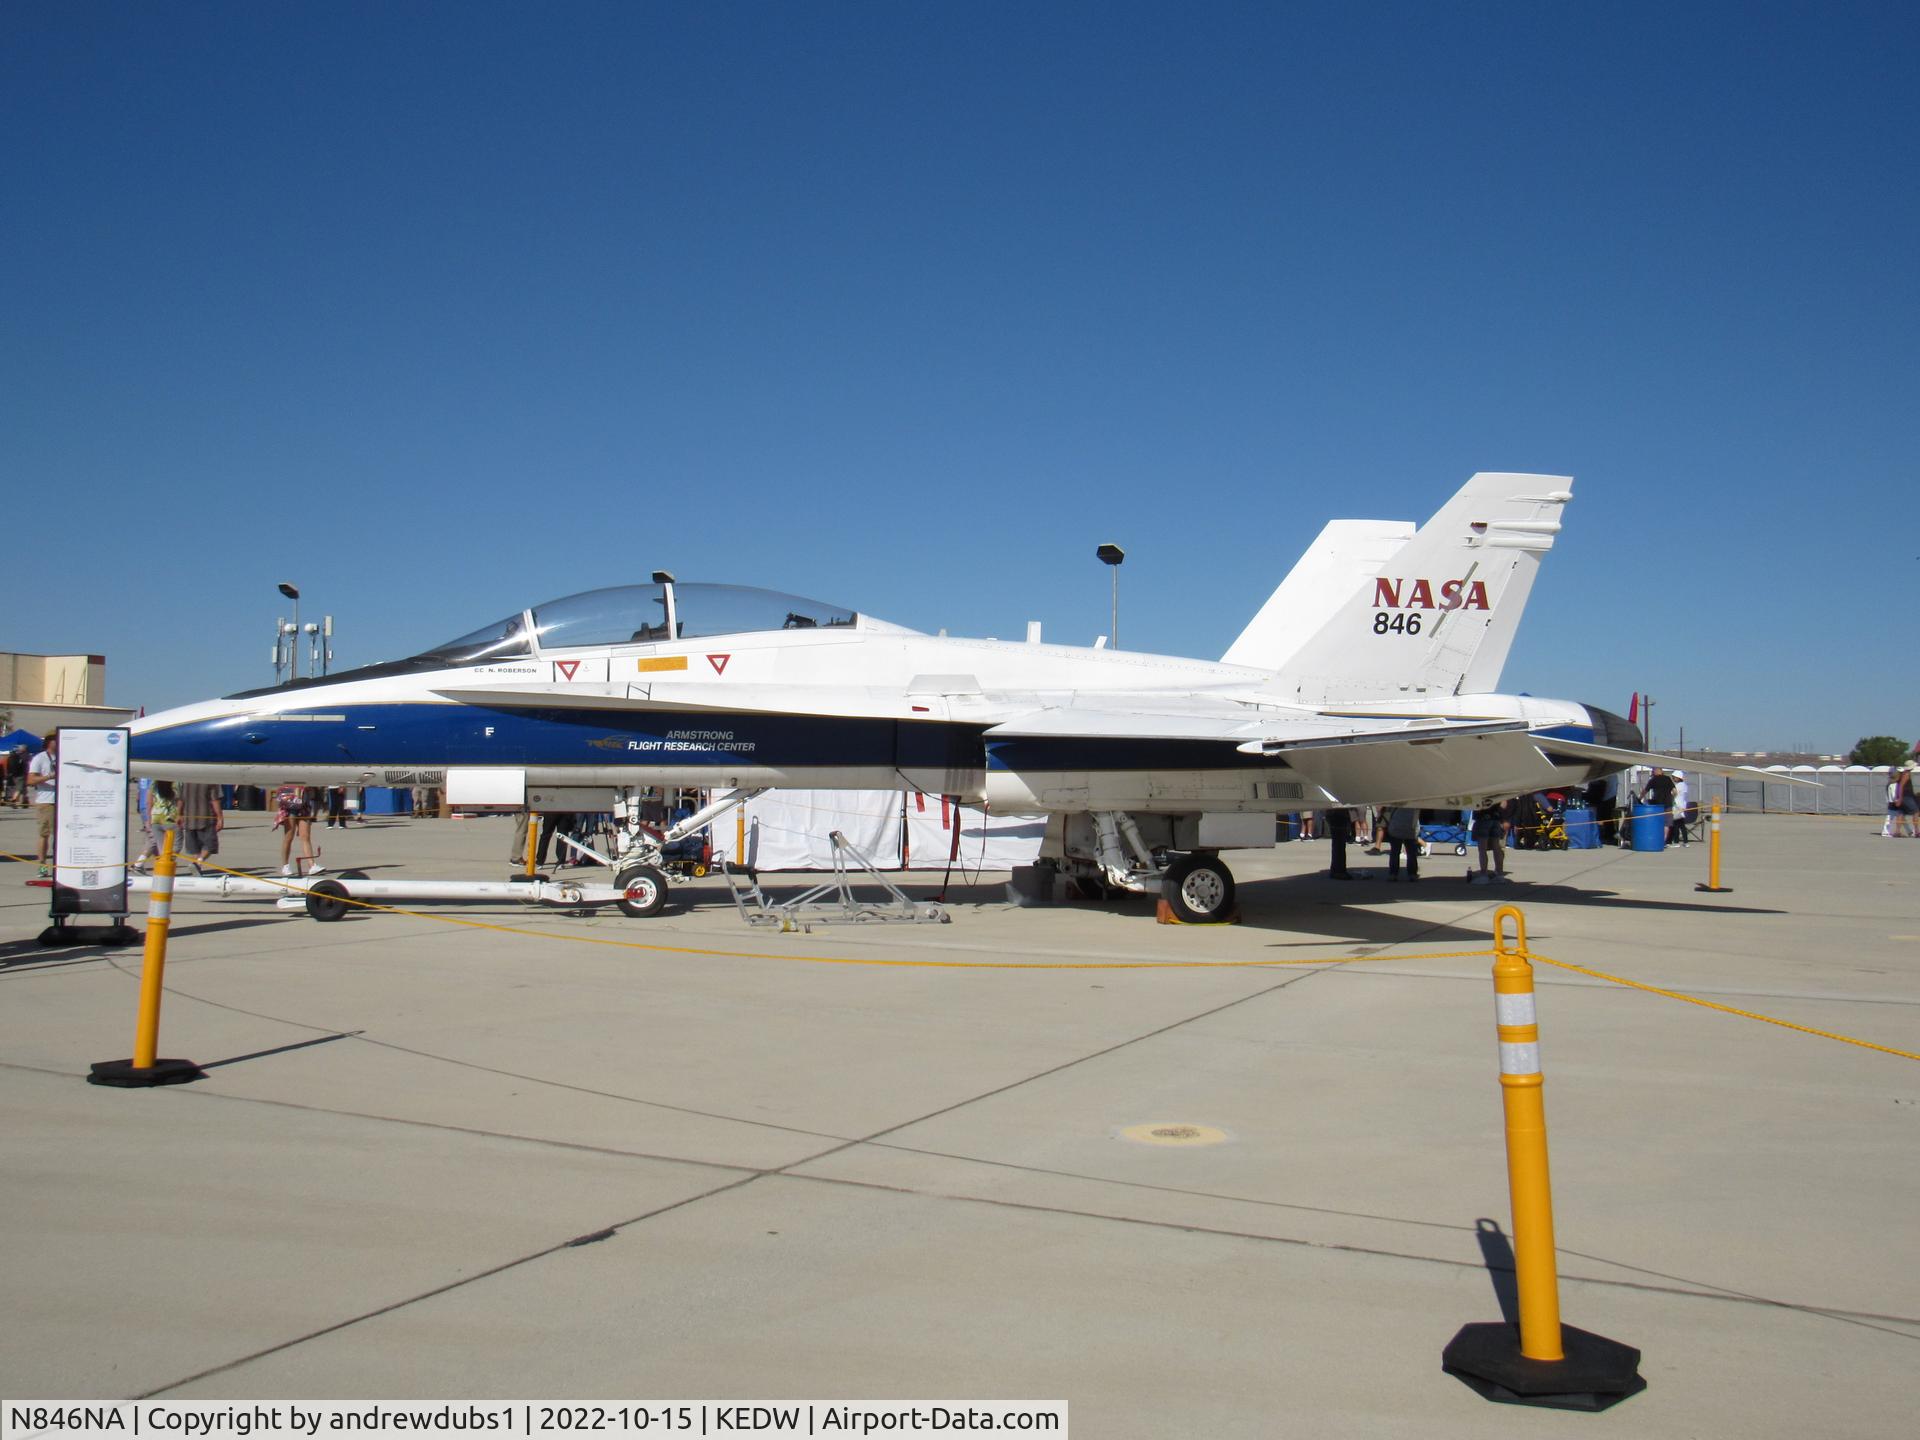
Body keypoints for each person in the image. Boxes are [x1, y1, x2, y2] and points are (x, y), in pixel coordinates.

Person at [274, 782, 321, 877]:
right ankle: (285, 865)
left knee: (305, 836)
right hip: (289, 803)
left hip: (303, 804)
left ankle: (311, 865)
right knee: (289, 837)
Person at [133, 780, 181, 872]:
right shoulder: (160, 780)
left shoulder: (147, 779)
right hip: (163, 815)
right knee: (159, 842)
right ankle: (142, 865)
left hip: (150, 812)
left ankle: (143, 864)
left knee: (156, 842)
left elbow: (140, 795)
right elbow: (178, 798)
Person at [177, 781, 223, 875]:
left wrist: (179, 814)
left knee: (195, 848)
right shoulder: (212, 781)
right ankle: (198, 862)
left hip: (189, 817)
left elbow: (181, 799)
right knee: (210, 845)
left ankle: (197, 868)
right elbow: (215, 800)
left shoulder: (186, 781)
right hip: (206, 817)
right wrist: (220, 818)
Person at [29, 731, 58, 876]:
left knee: (59, 836)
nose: (58, 742)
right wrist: (49, 776)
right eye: (55, 740)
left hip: (62, 801)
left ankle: (58, 866)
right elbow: (31, 780)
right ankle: (42, 865)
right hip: (46, 801)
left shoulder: (62, 757)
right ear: (49, 742)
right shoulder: (39, 758)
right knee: (45, 834)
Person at [1471, 801, 1508, 883]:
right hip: (1496, 818)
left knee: (1482, 848)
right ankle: (1500, 874)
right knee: (1496, 847)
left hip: (1483, 818)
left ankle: (1483, 875)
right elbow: (1504, 804)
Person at [1384, 805, 1420, 882]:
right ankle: (1412, 874)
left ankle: (1393, 874)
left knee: (1395, 851)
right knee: (1411, 852)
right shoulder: (1416, 801)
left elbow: (1389, 811)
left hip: (1397, 826)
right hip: (1410, 827)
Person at [1326, 806, 1353, 879]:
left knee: (1339, 845)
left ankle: (1337, 869)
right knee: (1339, 846)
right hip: (1337, 815)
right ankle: (1338, 871)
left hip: (1337, 814)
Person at [1667, 770, 1691, 846]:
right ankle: (1685, 842)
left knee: (1676, 825)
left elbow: (1673, 793)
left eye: (1674, 777)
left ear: (1678, 778)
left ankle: (1676, 842)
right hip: (1682, 805)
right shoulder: (1684, 785)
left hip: (1677, 806)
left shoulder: (1678, 785)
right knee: (1681, 825)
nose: (1673, 779)